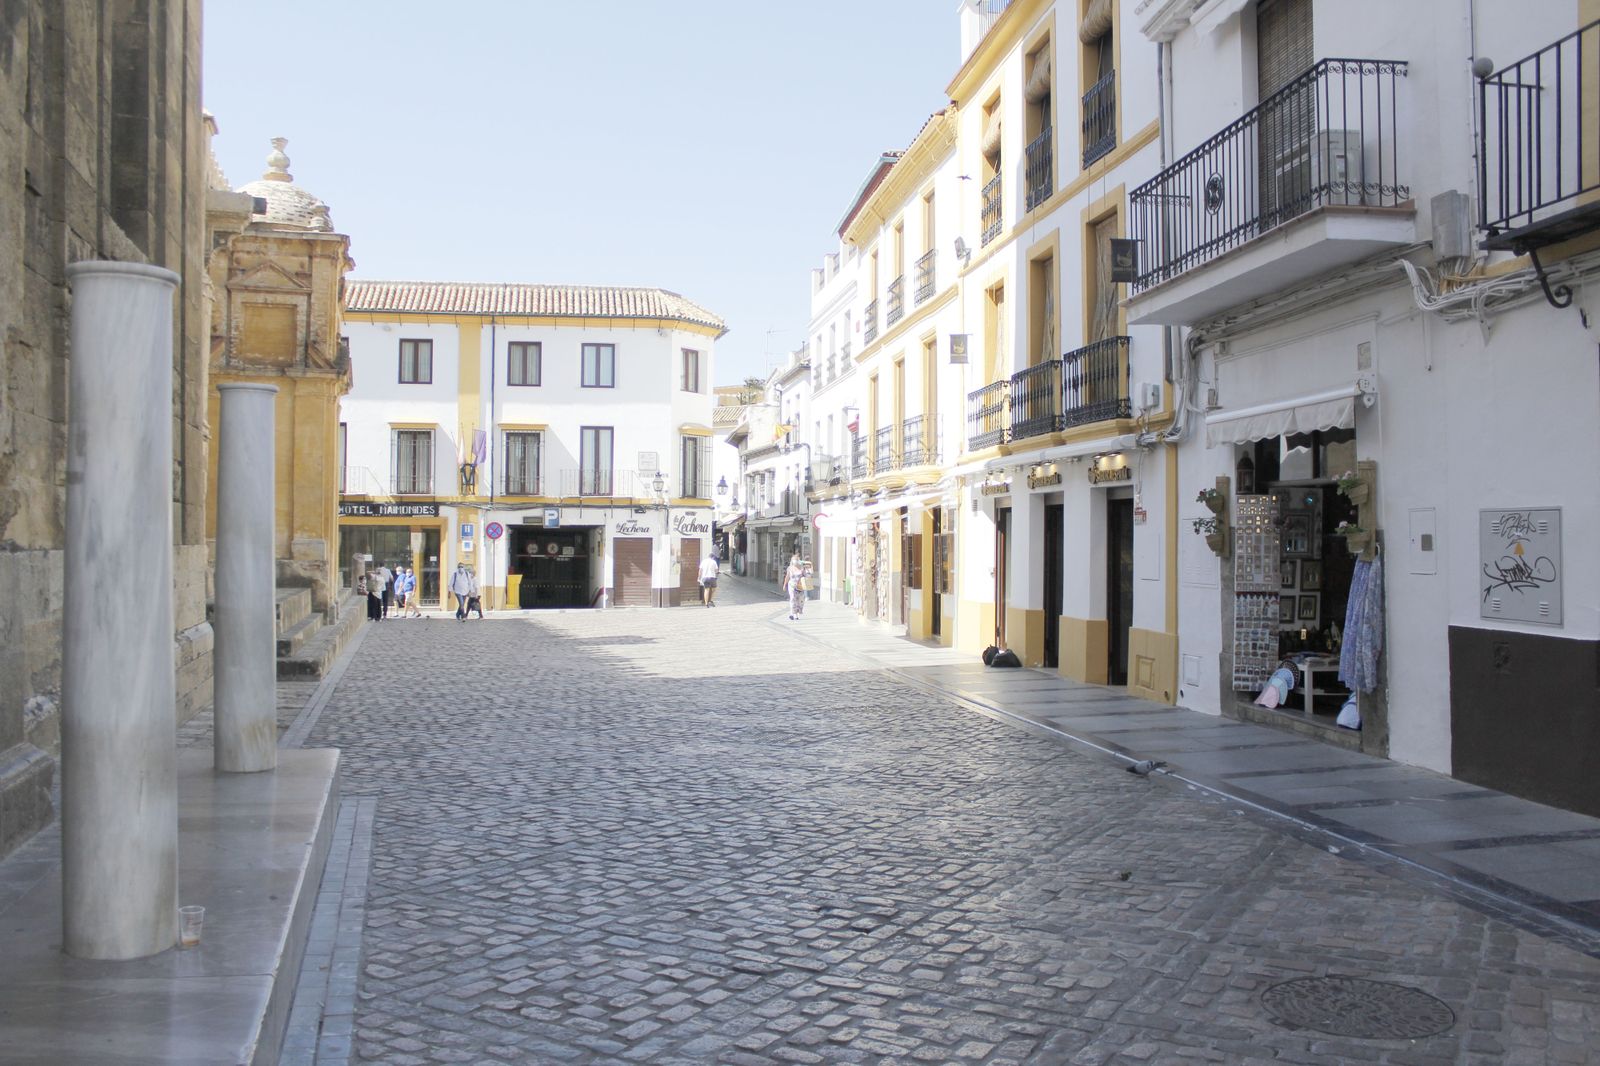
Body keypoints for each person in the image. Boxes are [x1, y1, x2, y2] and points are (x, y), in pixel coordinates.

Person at [781, 552, 810, 621]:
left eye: (797, 559)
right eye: (794, 560)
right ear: (792, 561)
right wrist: (784, 585)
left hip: (800, 587)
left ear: (799, 560)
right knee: (793, 599)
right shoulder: (790, 568)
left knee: (800, 600)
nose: (795, 561)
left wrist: (808, 573)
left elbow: (806, 576)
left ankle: (793, 613)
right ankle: (794, 614)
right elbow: (787, 577)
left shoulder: (802, 568)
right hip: (792, 586)